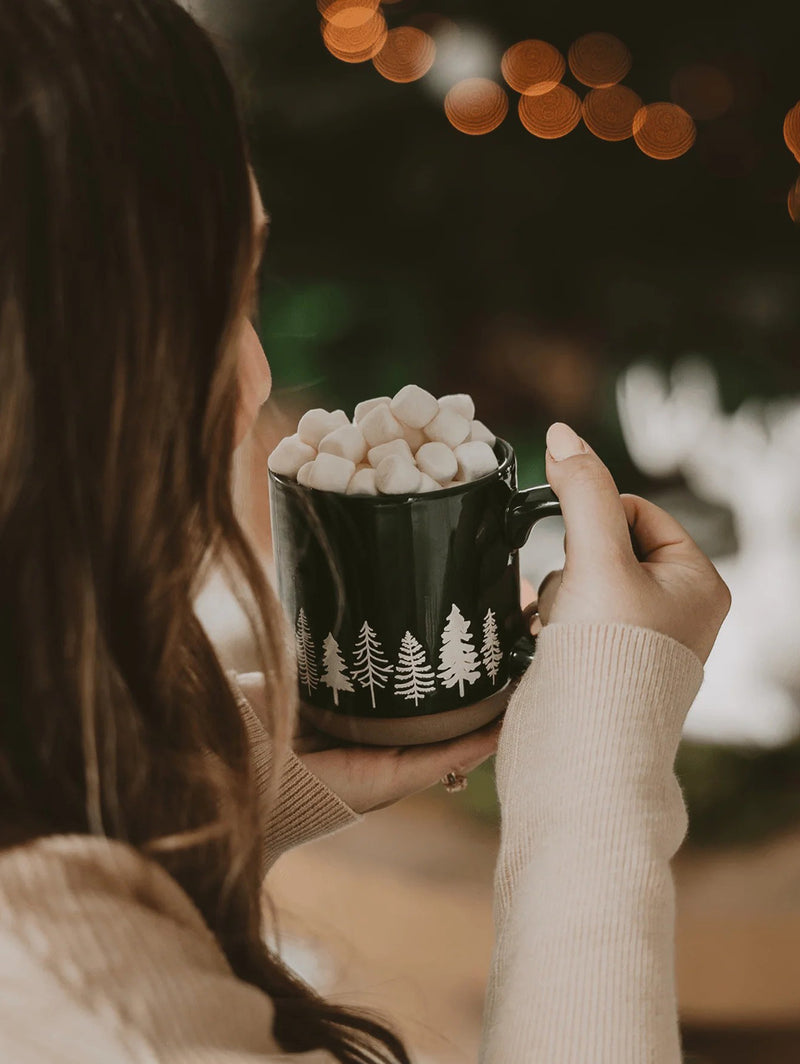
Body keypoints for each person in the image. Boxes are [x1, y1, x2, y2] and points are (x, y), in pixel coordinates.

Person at [0, 1, 730, 1062]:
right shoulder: (96, 1013)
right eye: (210, 295)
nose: (253, 375)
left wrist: (200, 776)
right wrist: (594, 778)